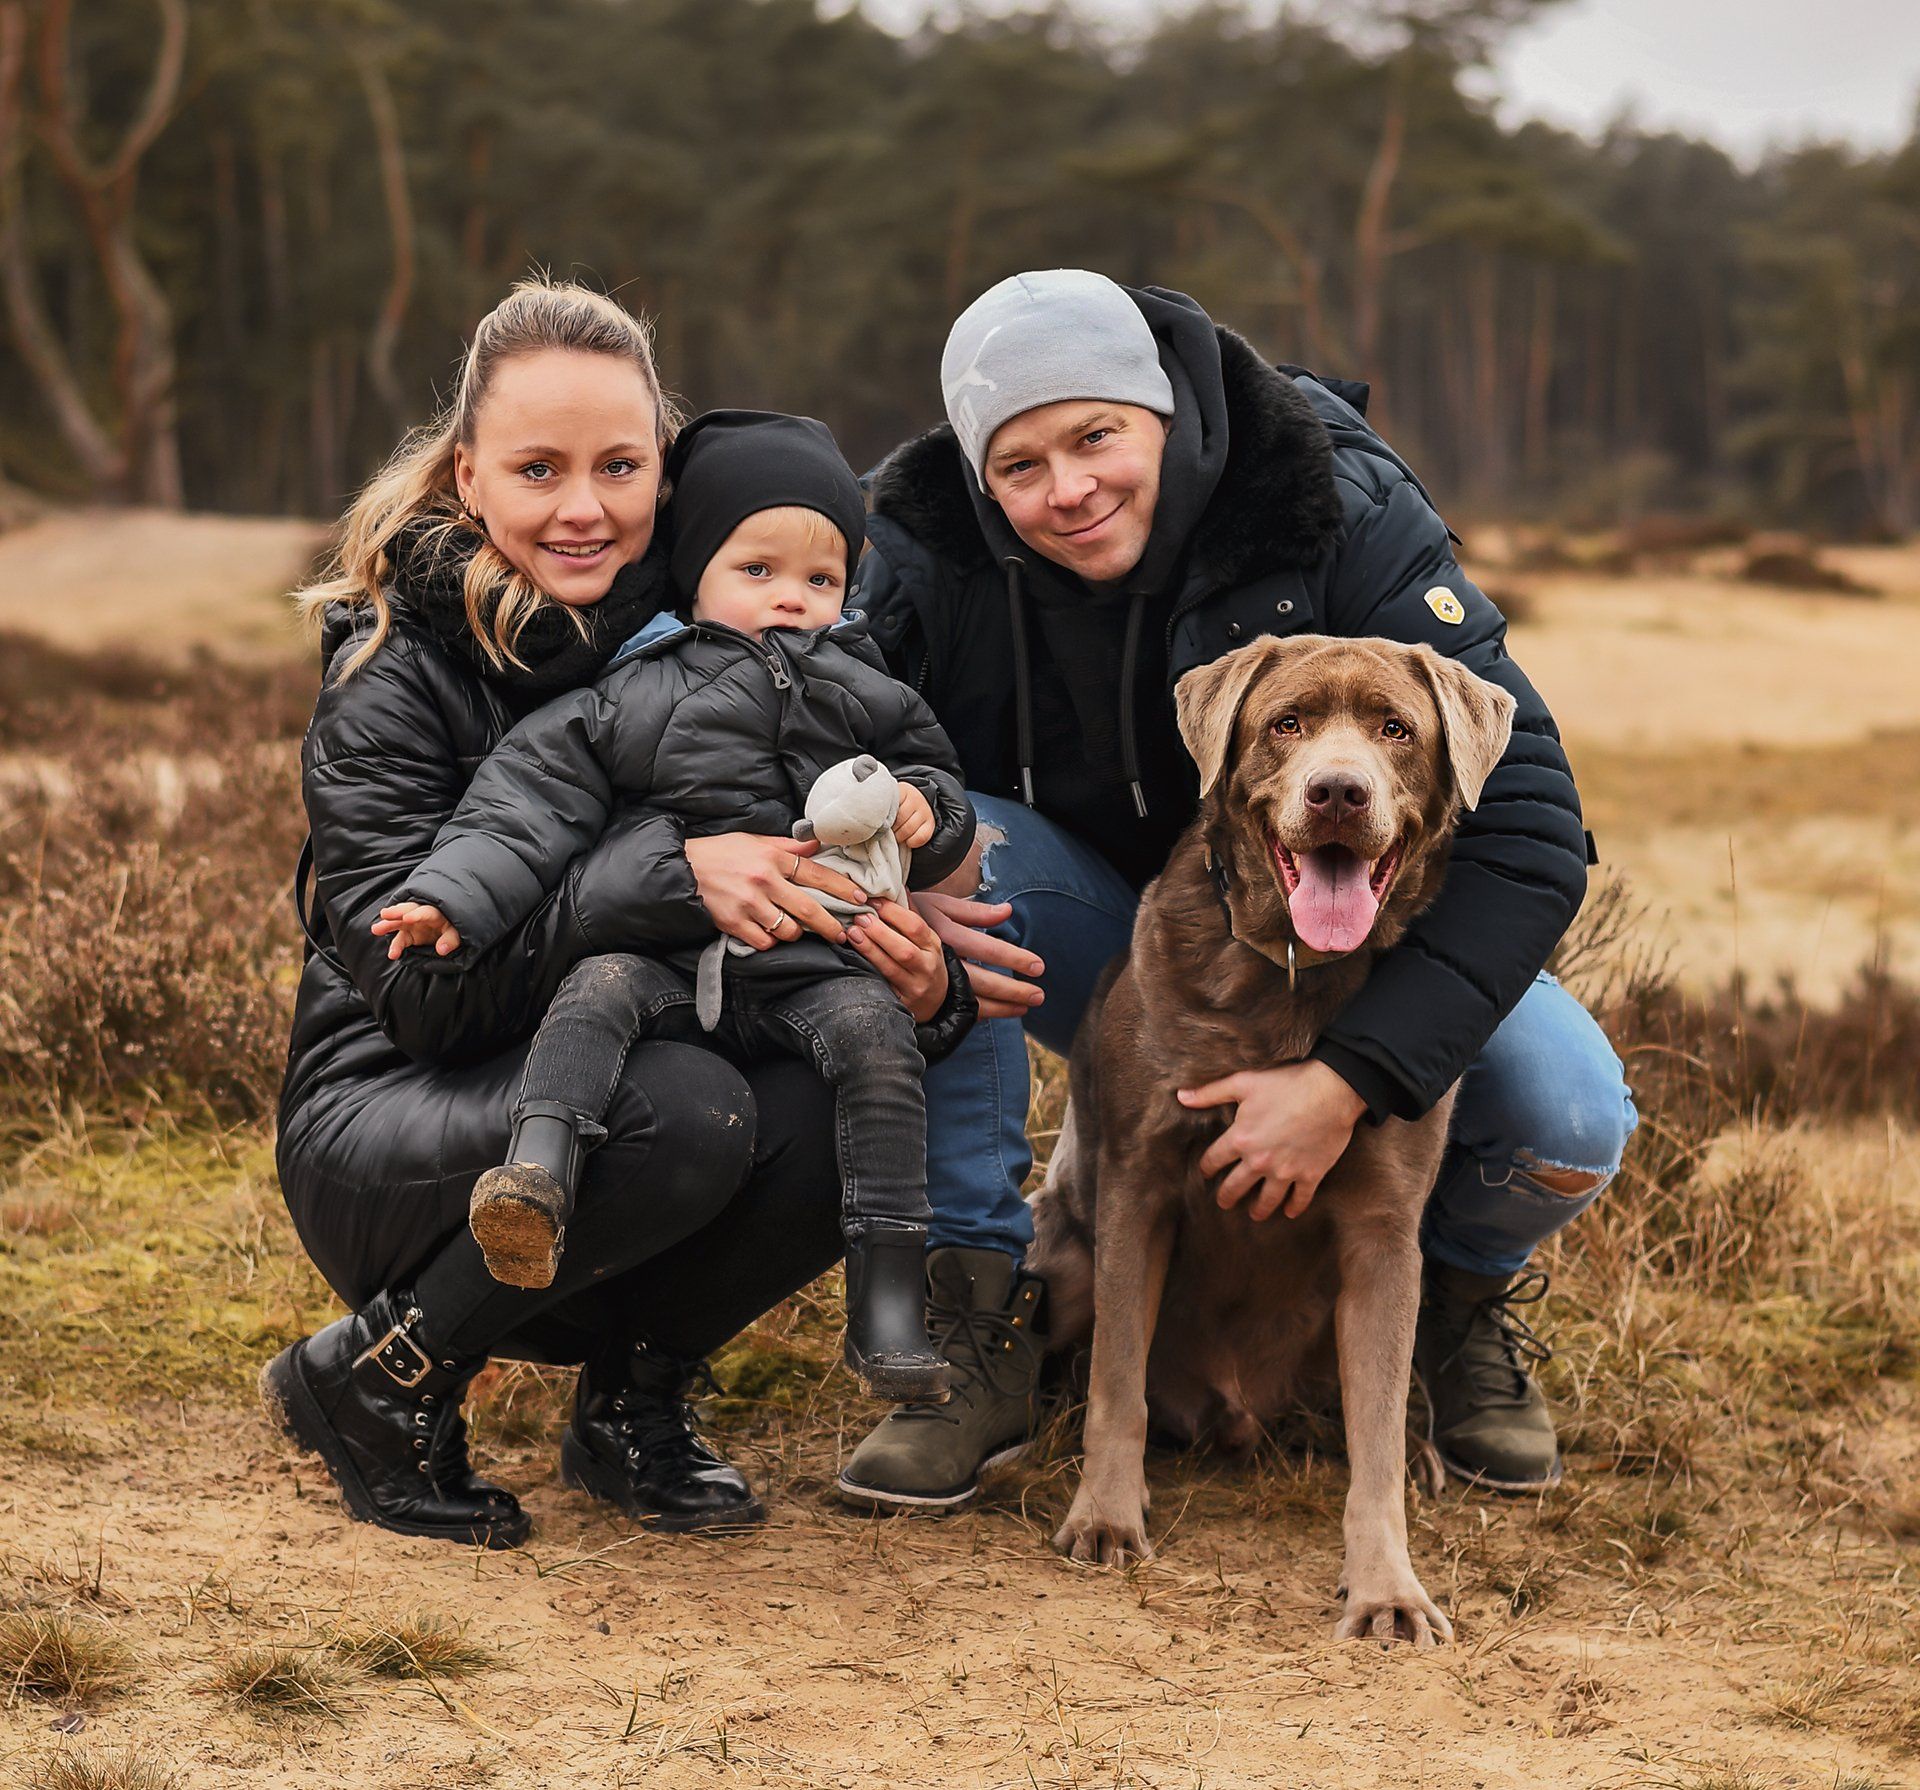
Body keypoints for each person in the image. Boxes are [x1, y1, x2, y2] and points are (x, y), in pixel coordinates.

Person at [837, 268, 1639, 1510]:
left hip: (1361, 935)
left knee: (1569, 1106)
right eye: (1022, 463)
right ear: (979, 478)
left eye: (1097, 435)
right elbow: (805, 727)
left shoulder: (1331, 498)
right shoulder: (926, 551)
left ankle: (1449, 1310)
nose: (1069, 488)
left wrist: (1352, 1076)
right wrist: (895, 854)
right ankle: (983, 1312)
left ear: (1160, 411)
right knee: (935, 871)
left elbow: (1531, 829)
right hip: (1111, 926)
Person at [267, 280, 969, 1548]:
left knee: (858, 1073)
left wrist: (923, 977)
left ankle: (634, 1399)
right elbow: (425, 1001)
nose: (582, 506)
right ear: (469, 478)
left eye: (618, 465)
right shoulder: (392, 675)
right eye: (538, 468)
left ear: (666, 475)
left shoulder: (739, 621)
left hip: (619, 1082)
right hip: (393, 1116)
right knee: (686, 1109)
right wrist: (674, 873)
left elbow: (871, 850)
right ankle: (381, 1377)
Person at [373, 409, 978, 1405]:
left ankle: (886, 1305)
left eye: (819, 579)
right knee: (594, 988)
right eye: (758, 570)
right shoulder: (639, 691)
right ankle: (535, 1175)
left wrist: (930, 809)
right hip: (667, 950)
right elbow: (527, 801)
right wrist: (451, 896)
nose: (791, 596)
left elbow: (934, 778)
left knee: (879, 1036)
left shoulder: (871, 694)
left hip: (807, 964)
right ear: (695, 568)